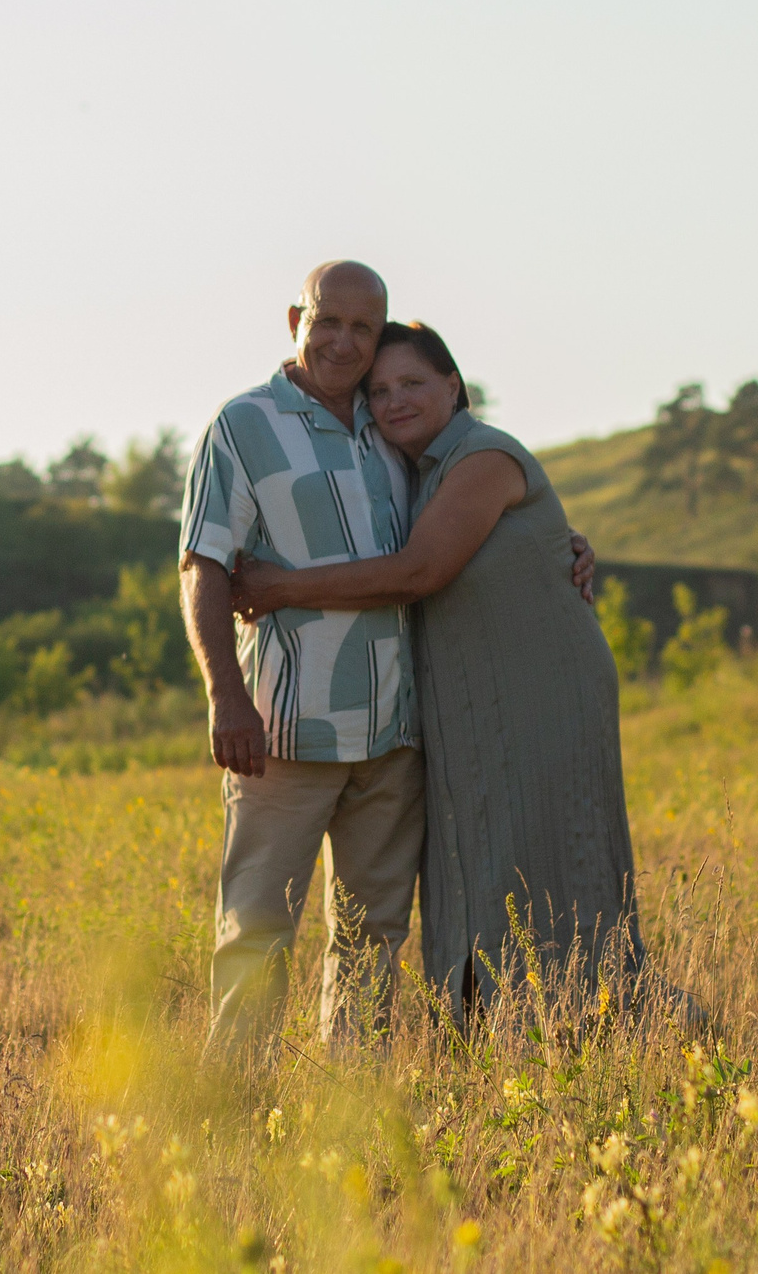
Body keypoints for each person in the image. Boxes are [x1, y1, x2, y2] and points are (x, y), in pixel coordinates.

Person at [179, 264, 594, 1045]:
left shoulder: (393, 430)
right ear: (295, 318)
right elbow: (201, 564)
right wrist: (225, 695)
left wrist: (558, 546)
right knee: (258, 928)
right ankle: (227, 1111)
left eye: (362, 329)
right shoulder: (242, 423)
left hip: (394, 737)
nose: (344, 342)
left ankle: (353, 1097)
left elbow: (463, 531)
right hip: (285, 732)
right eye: (328, 322)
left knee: (373, 934)